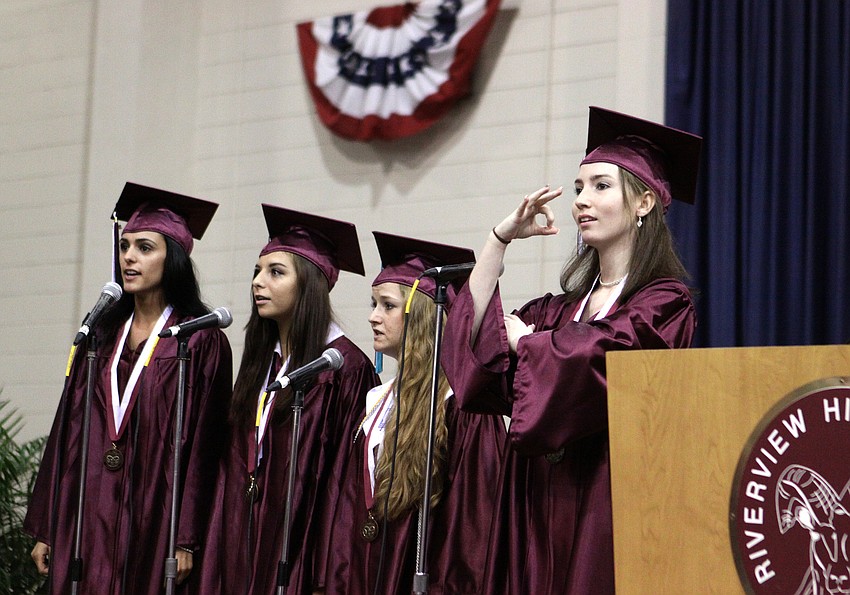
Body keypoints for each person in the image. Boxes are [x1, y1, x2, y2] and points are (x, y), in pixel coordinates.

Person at [440, 107, 703, 594]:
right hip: (533, 501)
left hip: (606, 498)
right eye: (579, 187)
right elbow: (476, 353)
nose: (582, 200)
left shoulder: (665, 302)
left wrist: (527, 341)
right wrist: (497, 242)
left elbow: (606, 357)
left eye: (601, 186)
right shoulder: (559, 311)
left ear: (644, 201)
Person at [25, 182, 233, 594]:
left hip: (156, 512)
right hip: (89, 511)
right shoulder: (100, 334)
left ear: (172, 257)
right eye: (125, 247)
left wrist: (186, 536)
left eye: (145, 247)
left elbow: (206, 449)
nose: (129, 258)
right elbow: (67, 429)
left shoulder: (199, 340)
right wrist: (49, 523)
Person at [199, 205, 379, 594]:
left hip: (302, 549)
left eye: (275, 273)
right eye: (257, 272)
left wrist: (325, 573)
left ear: (309, 285)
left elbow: (343, 484)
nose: (257, 283)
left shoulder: (346, 369)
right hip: (242, 539)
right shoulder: (262, 362)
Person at [322, 232, 506, 594]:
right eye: (373, 304)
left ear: (420, 315)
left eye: (388, 306)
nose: (374, 317)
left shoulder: (463, 405)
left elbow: (473, 523)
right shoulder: (377, 400)